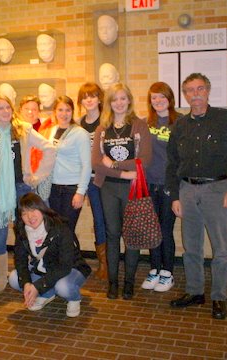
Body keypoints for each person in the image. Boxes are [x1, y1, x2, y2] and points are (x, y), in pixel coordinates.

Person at [166, 73, 227, 320]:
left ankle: (219, 297)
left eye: (200, 88)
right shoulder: (180, 125)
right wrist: (174, 196)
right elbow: (172, 163)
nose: (195, 94)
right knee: (191, 247)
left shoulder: (226, 119)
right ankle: (195, 292)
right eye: (190, 90)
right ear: (185, 95)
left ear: (208, 91)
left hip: (218, 190)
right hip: (187, 190)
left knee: (220, 248)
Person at [0, 94, 56, 293]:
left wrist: (37, 176)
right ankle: (1, 275)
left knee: (28, 230)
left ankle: (31, 269)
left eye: (8, 108)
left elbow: (49, 148)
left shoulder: (23, 130)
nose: (5, 111)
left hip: (21, 188)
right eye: (0, 108)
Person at [91, 83, 152, 300]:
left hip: (133, 190)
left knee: (132, 236)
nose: (119, 103)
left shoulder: (138, 126)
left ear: (129, 100)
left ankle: (129, 283)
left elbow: (144, 161)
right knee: (112, 234)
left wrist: (115, 165)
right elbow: (97, 164)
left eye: (123, 98)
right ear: (109, 103)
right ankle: (113, 282)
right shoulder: (102, 129)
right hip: (108, 188)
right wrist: (125, 173)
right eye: (114, 99)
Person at [9, 192, 91, 317]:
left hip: (71, 268)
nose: (30, 216)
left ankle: (74, 298)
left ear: (41, 209)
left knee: (63, 287)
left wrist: (37, 286)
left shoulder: (60, 228)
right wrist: (26, 283)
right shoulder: (22, 230)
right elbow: (20, 260)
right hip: (45, 270)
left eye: (33, 210)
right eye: (24, 213)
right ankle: (47, 293)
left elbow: (65, 266)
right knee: (14, 278)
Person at [141, 82, 183, 293]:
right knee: (152, 230)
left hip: (169, 185)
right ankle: (155, 269)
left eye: (161, 97)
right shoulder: (145, 122)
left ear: (169, 98)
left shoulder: (180, 122)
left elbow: (182, 158)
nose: (157, 101)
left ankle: (168, 272)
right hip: (149, 184)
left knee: (165, 230)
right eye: (154, 98)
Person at [45, 96, 91, 236]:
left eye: (68, 110)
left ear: (73, 111)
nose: (64, 114)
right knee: (56, 230)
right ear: (55, 111)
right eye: (60, 110)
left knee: (67, 231)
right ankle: (62, 258)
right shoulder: (51, 131)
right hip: (53, 188)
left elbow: (86, 165)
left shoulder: (80, 133)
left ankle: (70, 258)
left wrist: (80, 192)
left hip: (71, 189)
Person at [76, 82, 107, 280]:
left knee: (112, 219)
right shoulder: (78, 124)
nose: (89, 100)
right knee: (99, 219)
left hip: (109, 179)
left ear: (99, 99)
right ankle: (104, 263)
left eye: (93, 96)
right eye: (85, 96)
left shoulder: (107, 121)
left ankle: (111, 260)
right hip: (90, 179)